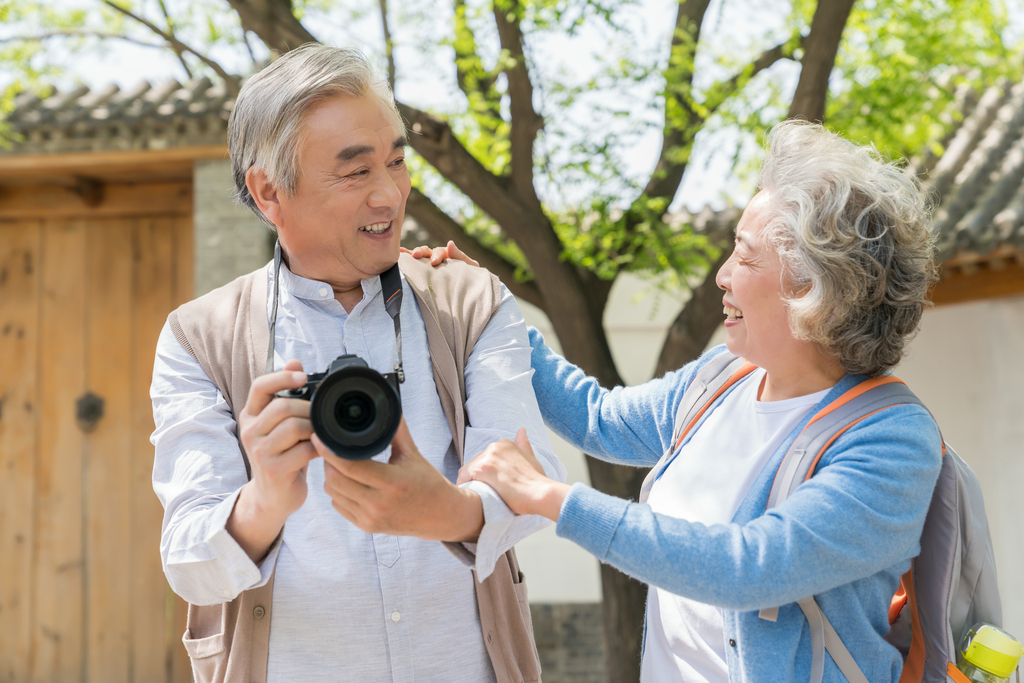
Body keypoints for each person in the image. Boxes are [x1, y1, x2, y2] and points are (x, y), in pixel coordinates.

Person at [414, 120, 943, 682]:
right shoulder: (721, 380)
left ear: (814, 286)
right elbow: (598, 419)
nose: (722, 275)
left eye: (745, 257)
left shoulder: (891, 442)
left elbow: (749, 567)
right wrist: (493, 305)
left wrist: (548, 497)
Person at [150, 43, 564, 682]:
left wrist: (448, 512)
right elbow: (186, 560)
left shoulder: (470, 301)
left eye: (396, 162)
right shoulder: (199, 339)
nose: (390, 196)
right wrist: (262, 501)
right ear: (268, 191)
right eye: (354, 171)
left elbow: (535, 479)